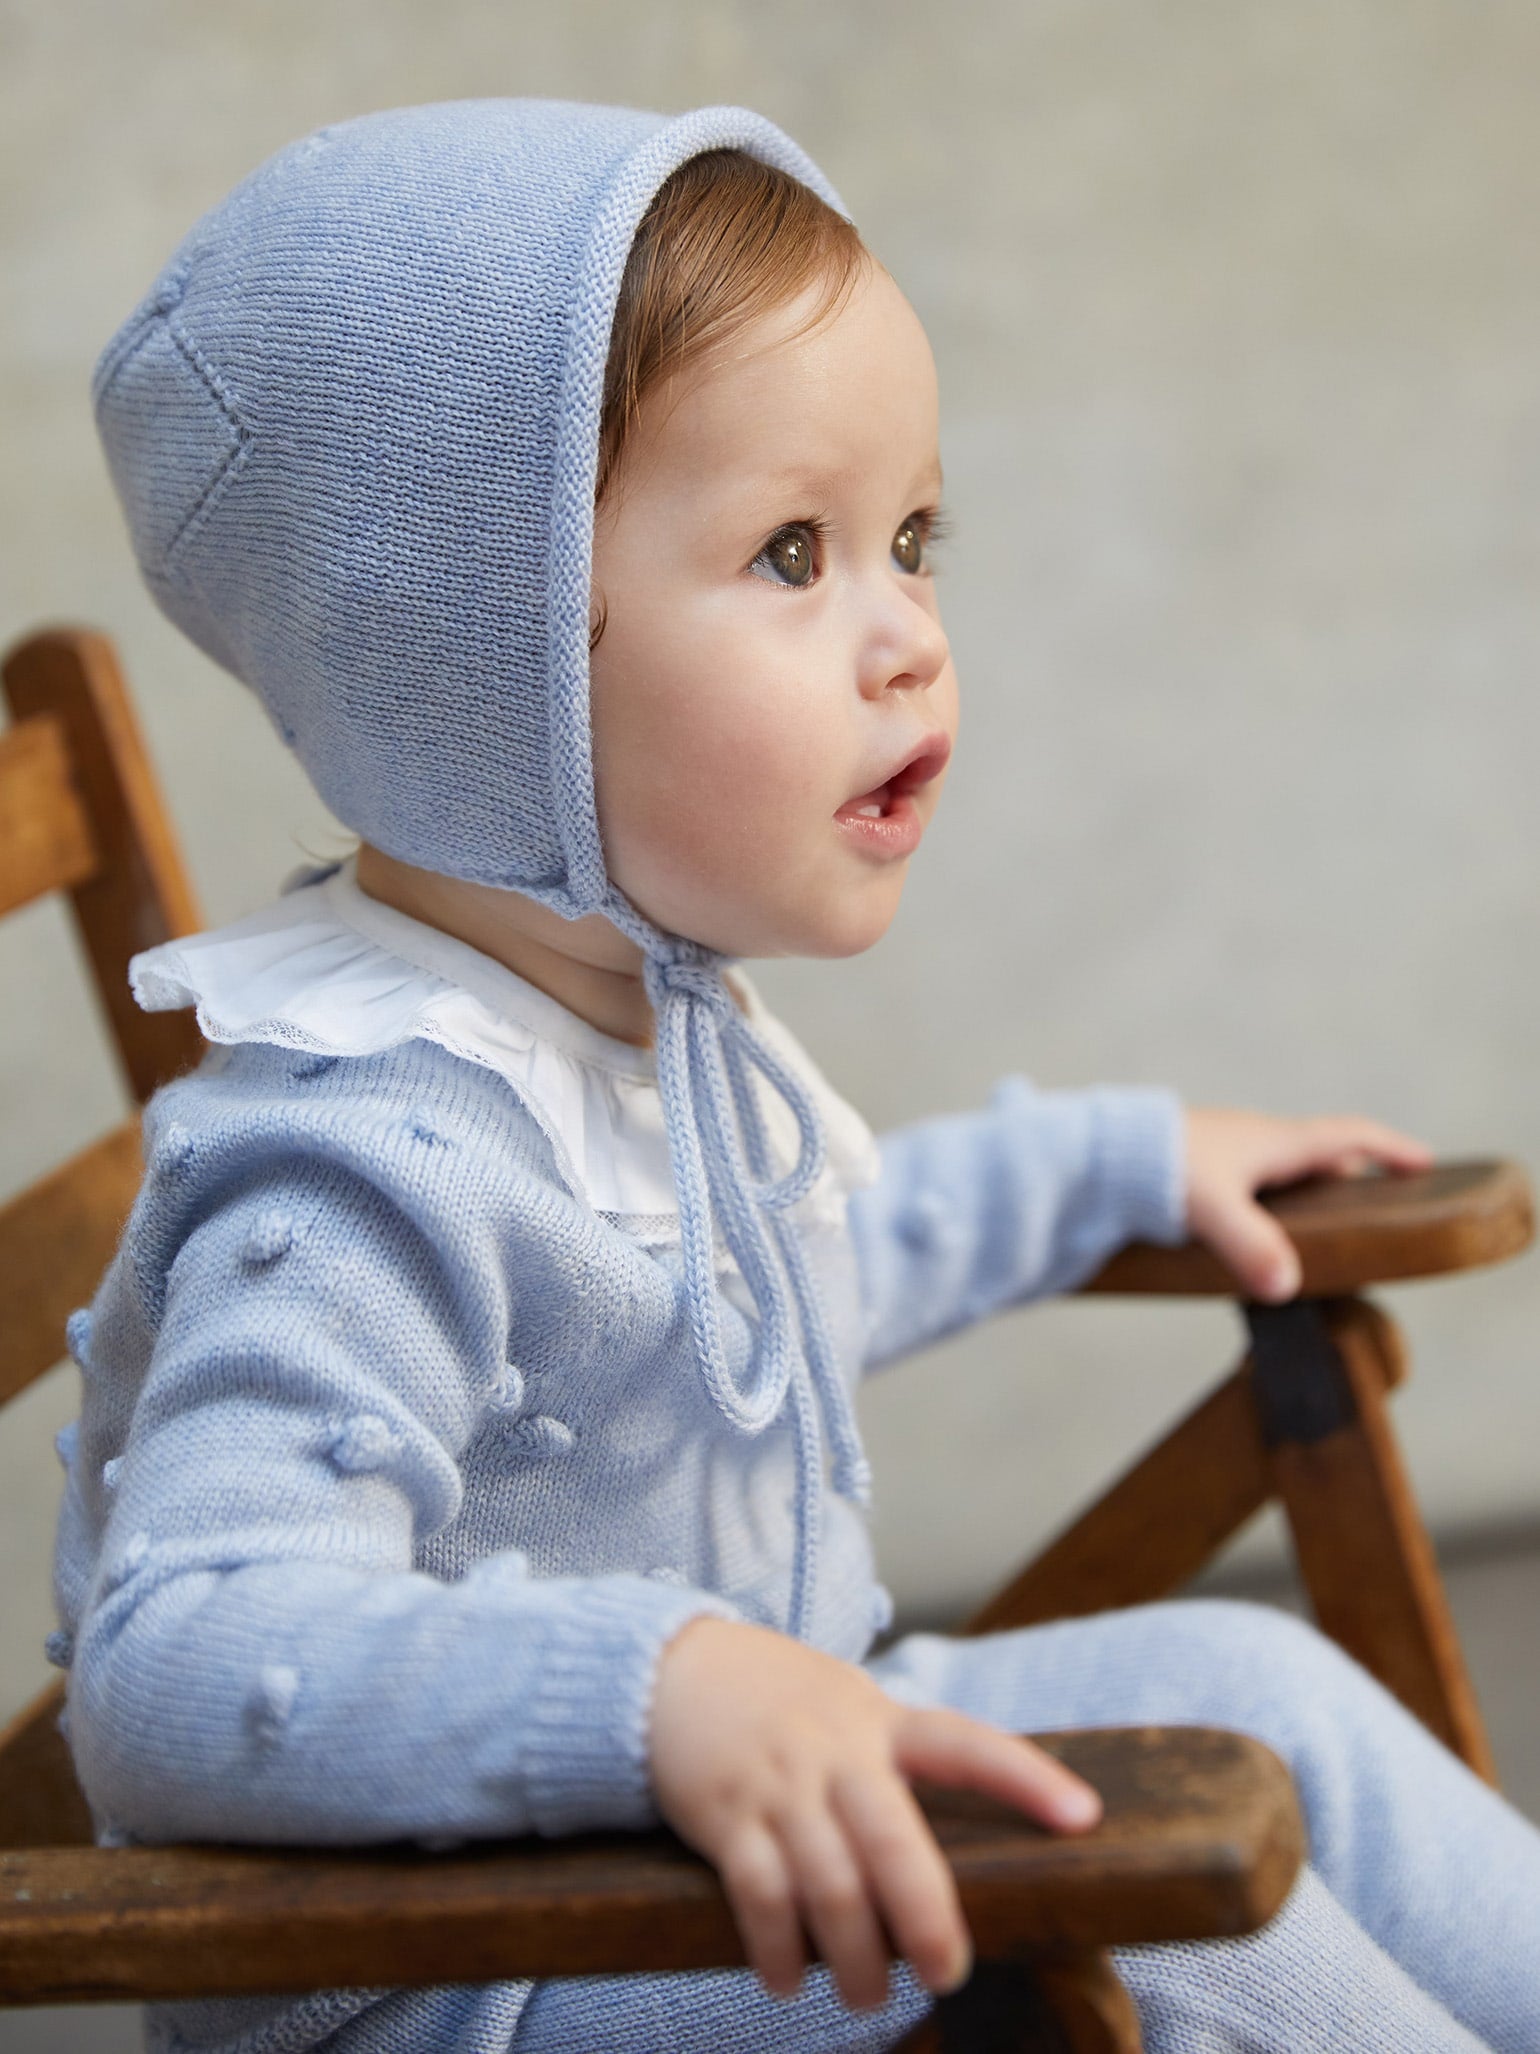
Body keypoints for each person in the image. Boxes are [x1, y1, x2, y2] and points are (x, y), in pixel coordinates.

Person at [56, 98, 1539, 2054]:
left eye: (909, 540)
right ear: (479, 660)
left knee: (1239, 1701)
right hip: (472, 1971)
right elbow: (181, 1654)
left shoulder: (622, 1006)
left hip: (693, 1830)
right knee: (1118, 1916)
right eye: (788, 551)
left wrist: (1113, 1162)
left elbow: (796, 1271)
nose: (906, 634)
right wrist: (652, 1688)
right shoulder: (364, 1152)